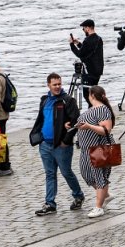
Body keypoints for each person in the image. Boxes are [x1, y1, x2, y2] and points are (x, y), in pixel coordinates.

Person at [29, 73, 83, 216]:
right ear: (48, 85)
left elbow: (76, 121)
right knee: (50, 174)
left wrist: (66, 141)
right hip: (45, 145)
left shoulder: (68, 101)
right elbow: (41, 119)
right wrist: (38, 136)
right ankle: (50, 203)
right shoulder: (44, 100)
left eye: (59, 84)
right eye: (55, 84)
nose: (58, 87)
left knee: (66, 172)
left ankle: (78, 195)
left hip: (61, 146)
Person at [74, 85, 115, 218]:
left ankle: (98, 207)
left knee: (99, 177)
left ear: (91, 95)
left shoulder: (103, 109)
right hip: (86, 149)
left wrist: (89, 126)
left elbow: (106, 130)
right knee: (87, 175)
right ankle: (106, 195)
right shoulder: (91, 109)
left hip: (98, 148)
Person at [68, 19, 103, 104]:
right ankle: (95, 110)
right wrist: (78, 43)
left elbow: (80, 54)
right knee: (94, 92)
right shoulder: (98, 39)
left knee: (87, 94)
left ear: (88, 28)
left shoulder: (88, 40)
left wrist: (72, 45)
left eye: (83, 28)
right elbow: (88, 50)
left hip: (89, 71)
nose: (83, 30)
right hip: (98, 70)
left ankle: (94, 109)